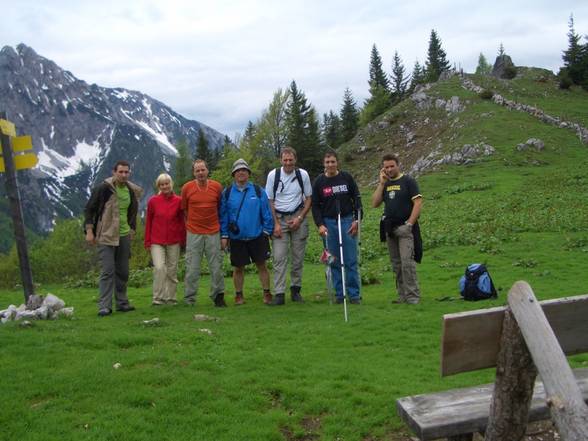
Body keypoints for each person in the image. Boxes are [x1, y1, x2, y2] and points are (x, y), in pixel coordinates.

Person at [84, 160, 144, 316]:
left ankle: (122, 303)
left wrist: (132, 229)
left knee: (123, 271)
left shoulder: (131, 190)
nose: (123, 175)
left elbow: (132, 211)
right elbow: (89, 209)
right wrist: (89, 231)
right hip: (106, 235)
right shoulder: (104, 189)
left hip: (124, 235)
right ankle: (104, 306)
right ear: (114, 172)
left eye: (126, 172)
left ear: (129, 173)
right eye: (121, 172)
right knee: (108, 271)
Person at [220, 158, 274, 305]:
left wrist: (267, 231)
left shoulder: (258, 191)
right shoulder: (227, 193)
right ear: (233, 174)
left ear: (248, 173)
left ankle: (267, 293)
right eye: (238, 170)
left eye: (244, 170)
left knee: (262, 265)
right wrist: (224, 235)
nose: (241, 173)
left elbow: (266, 213)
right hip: (237, 238)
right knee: (238, 268)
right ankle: (239, 295)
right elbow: (224, 216)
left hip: (257, 236)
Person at [311, 151, 362, 304]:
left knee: (350, 260)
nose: (330, 165)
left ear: (337, 162)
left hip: (347, 221)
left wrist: (357, 221)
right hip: (329, 224)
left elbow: (357, 199)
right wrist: (320, 224)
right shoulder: (319, 182)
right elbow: (315, 205)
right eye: (327, 162)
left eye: (333, 162)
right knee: (333, 260)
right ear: (323, 164)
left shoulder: (346, 178)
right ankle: (340, 294)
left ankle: (354, 294)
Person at [371, 153, 423, 304]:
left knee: (407, 263)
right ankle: (402, 296)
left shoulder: (408, 181)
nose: (389, 169)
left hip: (405, 229)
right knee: (397, 264)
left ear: (398, 165)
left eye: (392, 166)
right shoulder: (385, 184)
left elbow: (418, 203)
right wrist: (381, 183)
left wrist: (409, 225)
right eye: (386, 167)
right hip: (390, 229)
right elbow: (374, 204)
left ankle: (413, 296)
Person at [265, 147, 312, 306]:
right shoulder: (273, 175)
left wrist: (300, 218)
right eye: (285, 160)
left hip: (298, 217)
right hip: (279, 218)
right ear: (281, 160)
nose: (288, 163)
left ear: (295, 160)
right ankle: (279, 293)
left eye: (290, 160)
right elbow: (269, 200)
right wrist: (276, 224)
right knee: (279, 257)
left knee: (298, 258)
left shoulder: (302, 175)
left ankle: (295, 290)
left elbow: (309, 198)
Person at [181, 160, 226, 307]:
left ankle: (218, 296)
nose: (200, 173)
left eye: (203, 170)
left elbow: (221, 208)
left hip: (213, 231)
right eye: (197, 171)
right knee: (192, 268)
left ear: (207, 171)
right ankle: (189, 299)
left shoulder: (216, 187)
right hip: (194, 232)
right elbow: (185, 210)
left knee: (216, 267)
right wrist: (191, 224)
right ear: (194, 173)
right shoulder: (187, 188)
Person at [144, 173, 185, 305]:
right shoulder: (153, 201)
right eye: (162, 184)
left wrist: (184, 240)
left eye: (167, 183)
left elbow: (182, 222)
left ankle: (171, 298)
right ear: (159, 186)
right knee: (160, 267)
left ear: (171, 184)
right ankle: (158, 298)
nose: (165, 186)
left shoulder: (179, 201)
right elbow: (149, 222)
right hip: (156, 241)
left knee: (172, 270)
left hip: (174, 240)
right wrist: (147, 241)